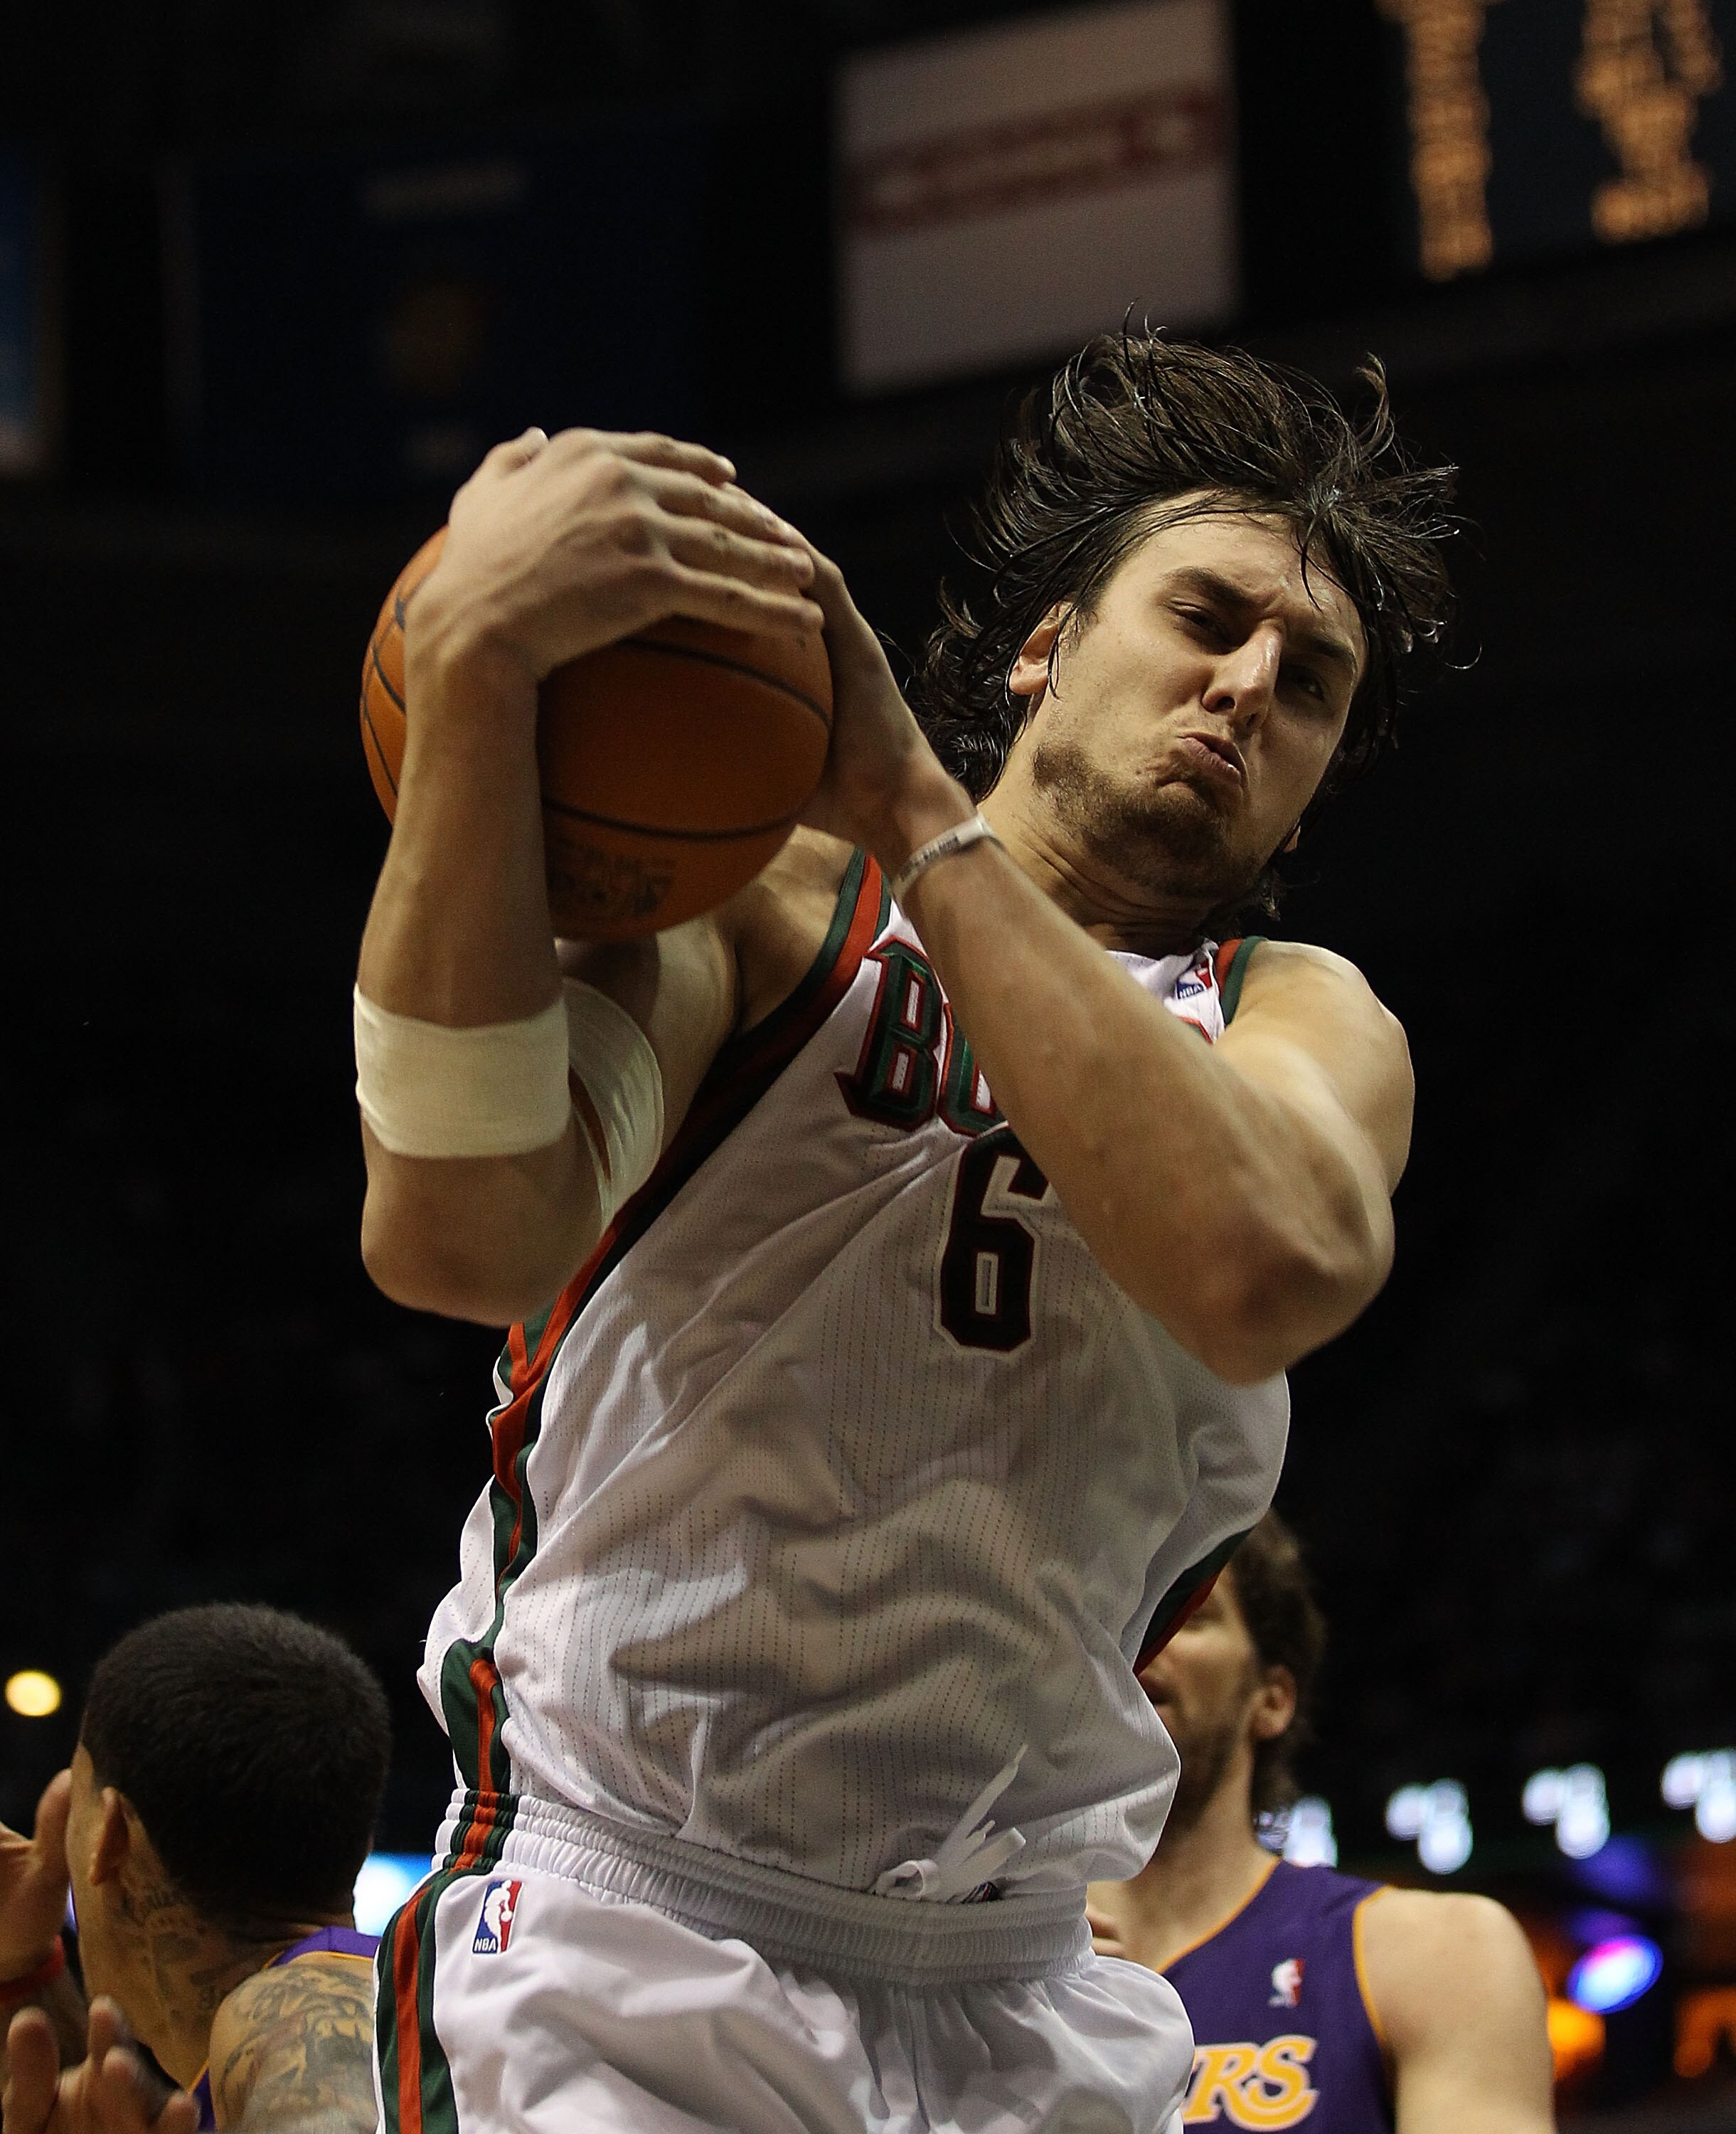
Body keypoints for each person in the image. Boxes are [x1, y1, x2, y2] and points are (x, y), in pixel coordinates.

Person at [353, 334, 1454, 2133]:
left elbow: (1256, 1264)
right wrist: (475, 671)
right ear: (1044, 649)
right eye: (1204, 619)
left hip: (1019, 1982)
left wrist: (926, 813)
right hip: (630, 1927)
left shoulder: (1300, 1018)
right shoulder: (775, 905)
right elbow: (458, 1230)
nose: (1247, 688)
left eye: (1310, 680)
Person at [1087, 1513, 1555, 2131]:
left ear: (1272, 1697)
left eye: (1187, 1613)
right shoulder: (983, 1978)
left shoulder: (1437, 1954)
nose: (1144, 1639)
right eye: (1122, 1616)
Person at [0, 1605, 389, 2134]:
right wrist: (23, 1970)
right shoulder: (315, 2011)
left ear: (108, 1835)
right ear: (359, 1845)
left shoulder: (296, 2011)